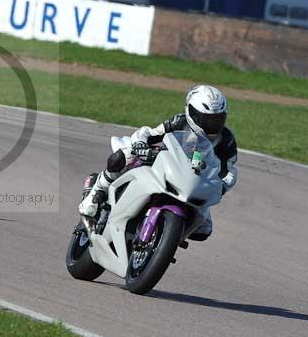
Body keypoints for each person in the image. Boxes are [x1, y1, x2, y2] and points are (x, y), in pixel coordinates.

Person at [78, 84, 238, 241]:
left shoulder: (227, 140)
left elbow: (230, 170)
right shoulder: (179, 122)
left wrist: (223, 185)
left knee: (204, 229)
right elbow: (149, 133)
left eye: (218, 119)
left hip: (195, 181)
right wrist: (141, 146)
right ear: (192, 113)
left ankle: (165, 238)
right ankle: (96, 193)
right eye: (207, 120)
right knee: (125, 156)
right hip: (164, 163)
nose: (213, 125)